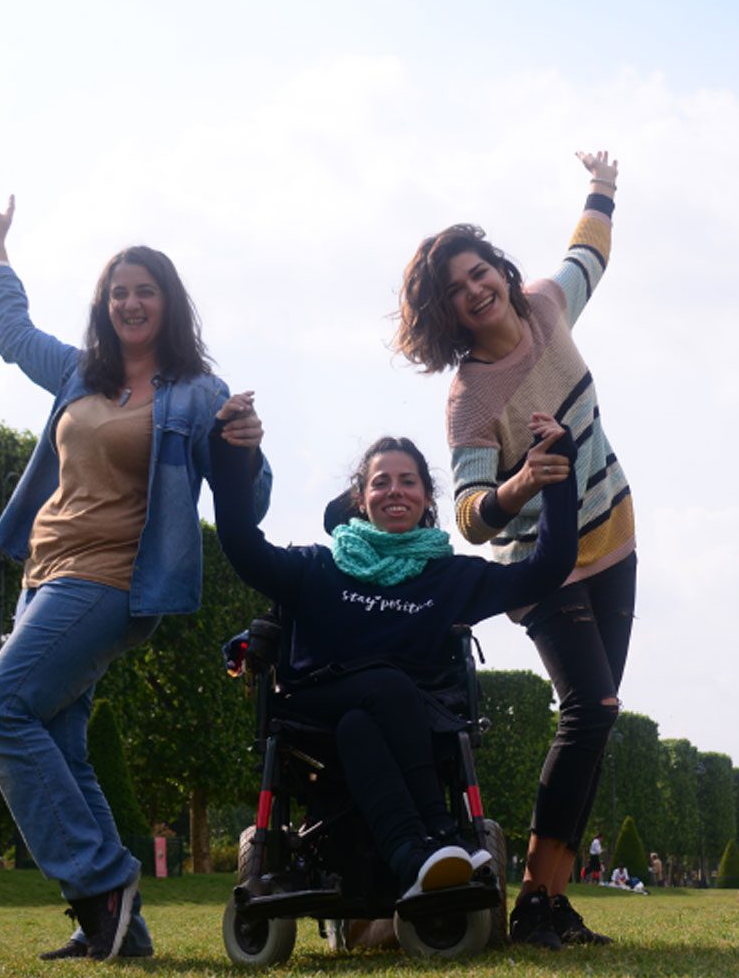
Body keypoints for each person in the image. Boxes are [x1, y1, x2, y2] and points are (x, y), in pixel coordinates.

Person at [0, 196, 271, 962]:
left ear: (168, 305)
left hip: (113, 582)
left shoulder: (197, 392)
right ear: (106, 304)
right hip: (46, 574)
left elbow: (249, 498)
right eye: (119, 291)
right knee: (61, 748)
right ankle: (119, 932)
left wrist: (244, 448)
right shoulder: (78, 372)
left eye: (145, 290)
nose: (131, 302)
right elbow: (12, 336)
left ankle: (101, 881)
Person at [395, 150, 634, 950]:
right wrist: (524, 479)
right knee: (590, 710)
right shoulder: (471, 400)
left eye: (479, 272)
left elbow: (587, 257)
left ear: (499, 268)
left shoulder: (543, 308)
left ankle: (551, 902)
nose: (476, 289)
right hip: (541, 568)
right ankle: (536, 900)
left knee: (596, 725)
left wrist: (601, 186)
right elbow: (467, 516)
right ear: (450, 315)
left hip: (615, 537)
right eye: (458, 291)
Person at [207, 401, 578, 912]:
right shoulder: (317, 566)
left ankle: (411, 856)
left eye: (408, 481)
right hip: (315, 703)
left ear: (427, 497)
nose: (394, 491)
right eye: (381, 482)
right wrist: (231, 459)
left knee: (362, 722)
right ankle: (440, 833)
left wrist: (557, 475)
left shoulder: (450, 578)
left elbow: (545, 570)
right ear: (361, 497)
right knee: (382, 685)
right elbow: (241, 545)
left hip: (396, 721)